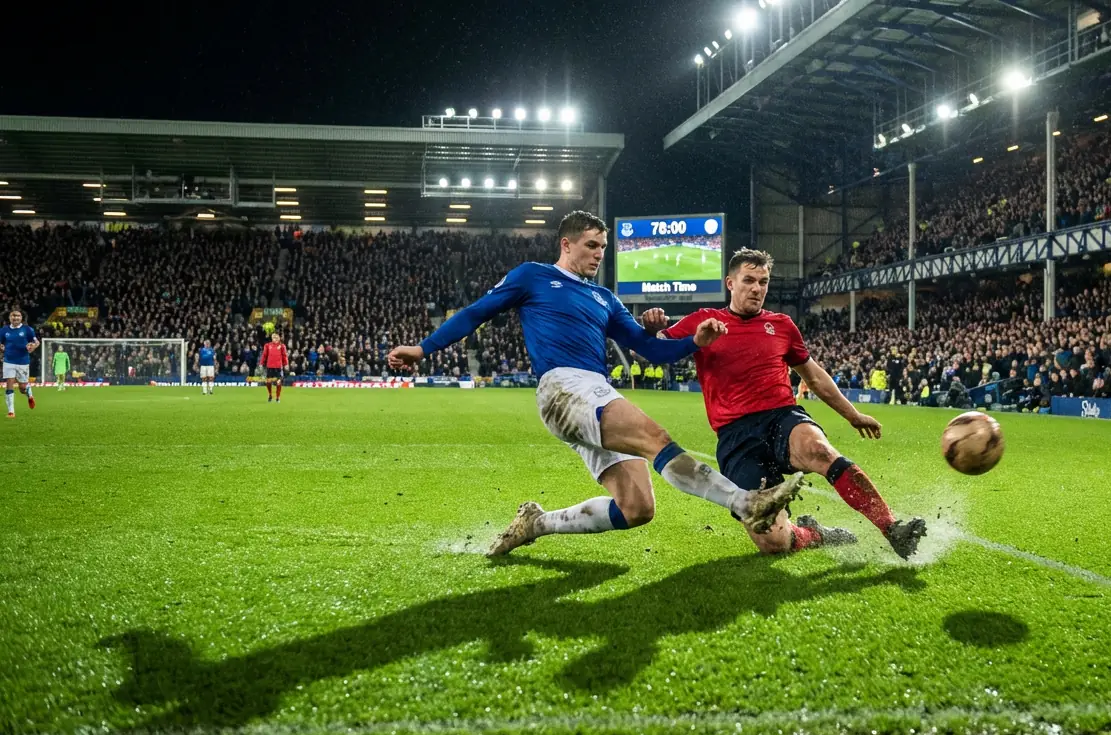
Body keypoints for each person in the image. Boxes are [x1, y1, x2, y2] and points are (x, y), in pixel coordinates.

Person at [385, 211, 805, 557]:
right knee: (654, 436)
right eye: (591, 245)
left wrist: (692, 342)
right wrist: (423, 349)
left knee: (637, 507)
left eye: (603, 247)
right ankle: (744, 502)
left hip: (595, 394)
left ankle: (536, 523)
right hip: (564, 389)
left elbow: (650, 350)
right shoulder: (532, 276)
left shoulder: (605, 298)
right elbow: (476, 312)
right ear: (566, 244)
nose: (599, 254)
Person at [645, 248, 927, 558]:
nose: (757, 288)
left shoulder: (781, 325)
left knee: (818, 450)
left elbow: (815, 377)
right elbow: (649, 351)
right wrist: (652, 330)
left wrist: (853, 414)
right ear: (730, 282)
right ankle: (812, 533)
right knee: (773, 542)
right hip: (736, 437)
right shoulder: (703, 321)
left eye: (763, 282)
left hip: (781, 417)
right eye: (749, 280)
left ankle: (892, 528)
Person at [2, 309, 39, 419]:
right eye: (13, 316)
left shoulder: (27, 329)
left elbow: (36, 342)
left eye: (18, 316)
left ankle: (29, 394)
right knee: (9, 384)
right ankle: (11, 411)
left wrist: (33, 346)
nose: (15, 317)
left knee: (22, 387)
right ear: (9, 318)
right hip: (8, 360)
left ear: (21, 318)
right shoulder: (4, 330)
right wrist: (1, 347)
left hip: (23, 361)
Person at [260, 332, 288, 403]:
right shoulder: (267, 345)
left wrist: (286, 364)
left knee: (279, 382)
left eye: (276, 337)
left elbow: (284, 356)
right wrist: (261, 363)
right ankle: (270, 395)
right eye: (273, 337)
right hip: (270, 367)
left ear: (279, 338)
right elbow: (264, 355)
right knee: (268, 382)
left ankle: (278, 397)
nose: (275, 338)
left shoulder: (282, 346)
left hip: (278, 367)